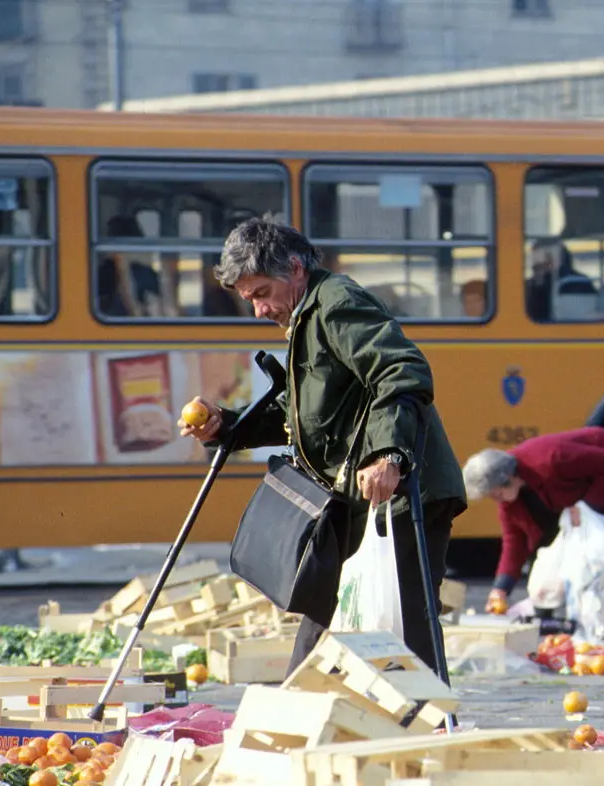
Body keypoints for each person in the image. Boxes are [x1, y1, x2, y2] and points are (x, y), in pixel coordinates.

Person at [177, 217, 468, 676]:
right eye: (249, 299)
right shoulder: (303, 317)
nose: (258, 310)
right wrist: (225, 428)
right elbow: (305, 418)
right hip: (350, 499)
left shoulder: (335, 304)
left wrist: (386, 454)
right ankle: (301, 724)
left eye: (261, 294)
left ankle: (426, 733)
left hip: (402, 494)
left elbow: (401, 371)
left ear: (294, 268)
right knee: (321, 618)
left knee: (409, 628)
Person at [461, 426, 604, 614]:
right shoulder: (509, 501)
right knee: (553, 546)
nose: (496, 500)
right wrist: (501, 588)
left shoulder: (550, 460)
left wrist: (588, 506)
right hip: (572, 490)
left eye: (496, 494)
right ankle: (573, 611)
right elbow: (514, 543)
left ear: (509, 478)